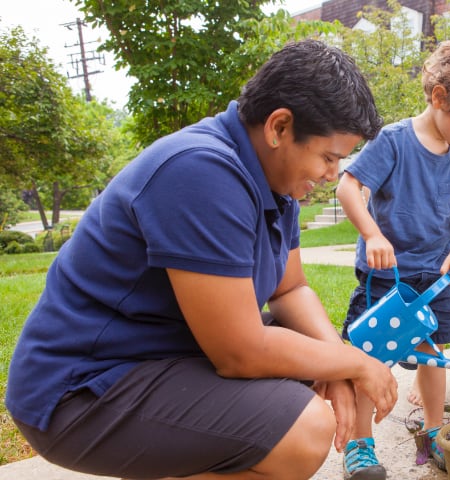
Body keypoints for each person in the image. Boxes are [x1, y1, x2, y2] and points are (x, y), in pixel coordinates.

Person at [5, 39, 399, 480]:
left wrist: (336, 362)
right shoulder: (200, 172)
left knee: (315, 360)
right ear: (279, 127)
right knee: (304, 429)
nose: (333, 175)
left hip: (165, 355)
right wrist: (354, 363)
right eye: (329, 157)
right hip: (82, 391)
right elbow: (241, 352)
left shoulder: (277, 182)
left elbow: (290, 289)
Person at [336, 34, 450, 479]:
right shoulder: (394, 141)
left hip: (432, 279)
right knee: (369, 357)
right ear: (441, 97)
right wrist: (372, 234)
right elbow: (348, 187)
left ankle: (435, 433)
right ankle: (360, 444)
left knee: (431, 356)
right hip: (388, 278)